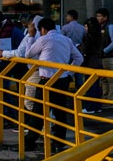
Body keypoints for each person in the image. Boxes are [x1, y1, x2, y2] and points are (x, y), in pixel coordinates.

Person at [23, 17, 83, 153]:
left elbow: (28, 54)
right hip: (62, 79)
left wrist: (31, 37)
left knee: (38, 112)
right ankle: (59, 140)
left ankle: (29, 141)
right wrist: (69, 72)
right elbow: (79, 58)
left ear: (43, 29)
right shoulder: (66, 40)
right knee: (60, 111)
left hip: (46, 79)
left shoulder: (43, 39)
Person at [79, 17, 104, 113]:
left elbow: (86, 51)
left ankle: (90, 107)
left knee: (90, 86)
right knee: (96, 86)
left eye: (86, 26)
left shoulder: (88, 37)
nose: (85, 28)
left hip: (90, 62)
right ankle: (97, 106)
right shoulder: (99, 36)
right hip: (98, 62)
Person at [96, 8, 113, 103]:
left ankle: (111, 100)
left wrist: (104, 50)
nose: (98, 18)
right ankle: (105, 98)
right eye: (97, 16)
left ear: (105, 17)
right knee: (103, 79)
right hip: (102, 56)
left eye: (100, 16)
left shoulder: (110, 27)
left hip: (108, 56)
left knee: (111, 79)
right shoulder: (101, 27)